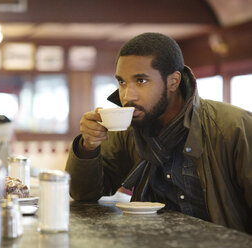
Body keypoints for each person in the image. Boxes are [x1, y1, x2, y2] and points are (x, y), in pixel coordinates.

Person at [65, 32, 252, 234]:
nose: (128, 95)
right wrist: (87, 147)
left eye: (141, 81)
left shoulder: (233, 127)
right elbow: (84, 194)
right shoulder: (127, 129)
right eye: (122, 82)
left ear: (173, 81)